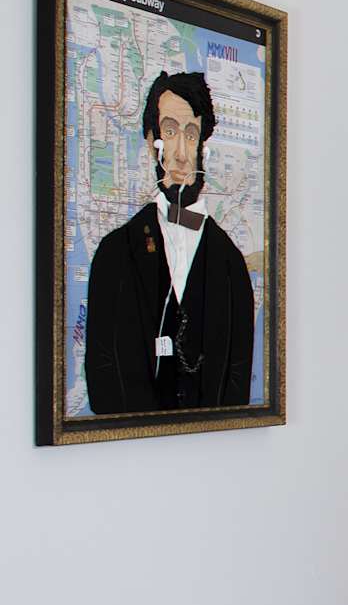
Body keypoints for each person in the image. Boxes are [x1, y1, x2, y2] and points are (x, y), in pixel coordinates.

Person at [84, 71, 255, 413]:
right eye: (170, 131)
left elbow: (237, 381)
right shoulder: (115, 253)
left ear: (202, 146)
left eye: (190, 135)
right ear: (152, 141)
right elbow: (102, 372)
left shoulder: (231, 265)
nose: (180, 153)